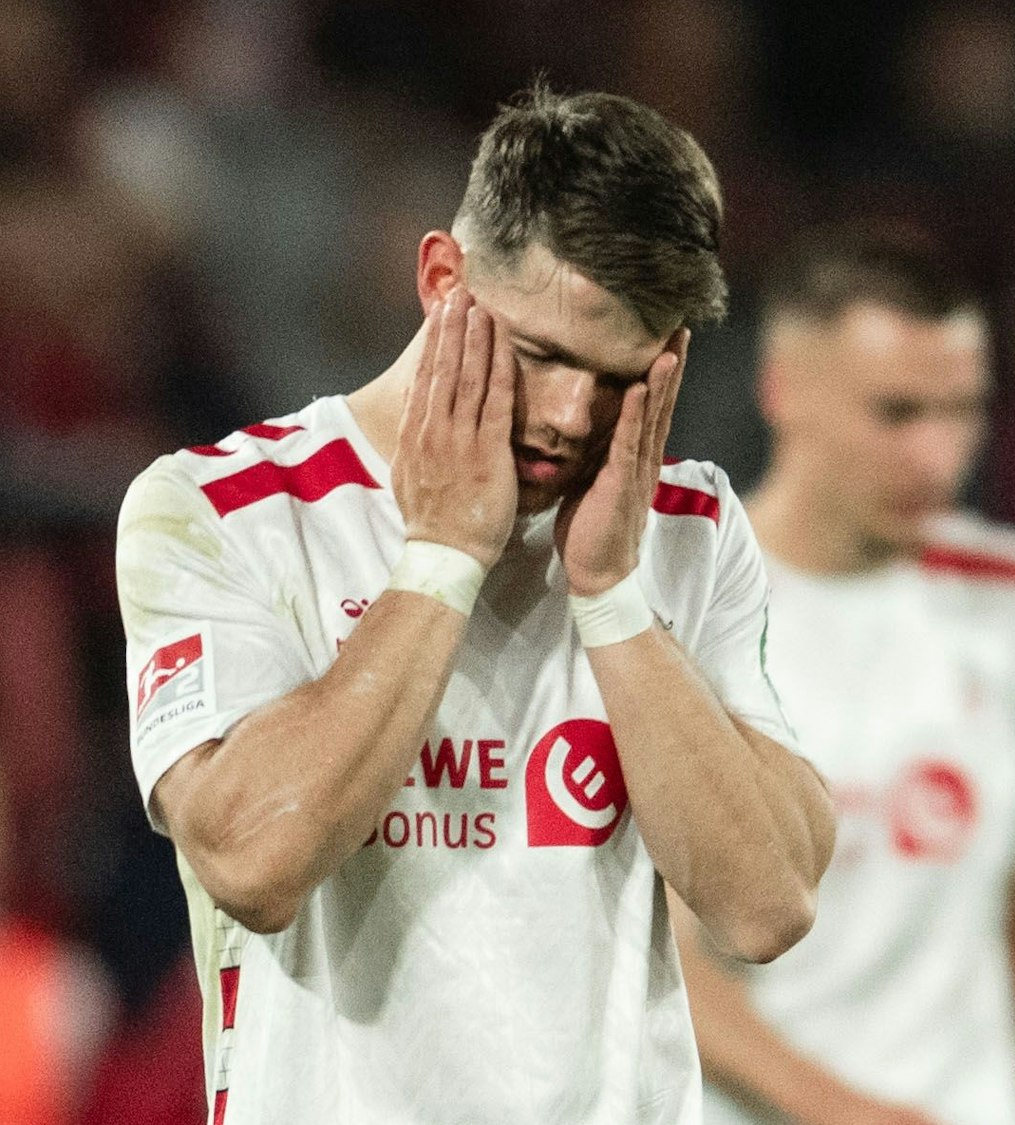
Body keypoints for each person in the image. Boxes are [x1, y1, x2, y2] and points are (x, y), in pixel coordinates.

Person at [113, 84, 837, 1125]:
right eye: (540, 355)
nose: (567, 416)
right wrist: (443, 557)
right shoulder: (221, 512)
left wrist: (612, 596)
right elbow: (254, 861)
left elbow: (765, 904)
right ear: (441, 278)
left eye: (616, 378)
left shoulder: (684, 527)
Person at [674, 229, 1015, 1125]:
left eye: (962, 412)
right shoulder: (680, 604)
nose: (939, 457)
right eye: (897, 414)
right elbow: (656, 957)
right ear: (785, 392)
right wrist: (846, 1112)